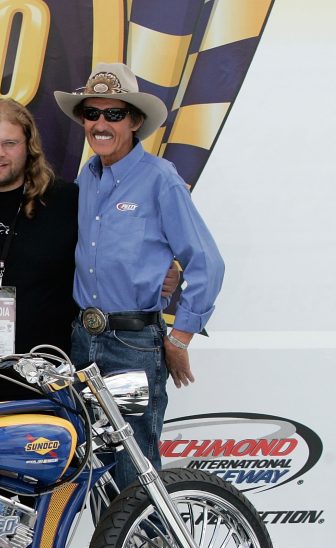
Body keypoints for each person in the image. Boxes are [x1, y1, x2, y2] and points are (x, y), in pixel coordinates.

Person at [54, 62, 224, 490]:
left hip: (132, 345)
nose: (100, 124)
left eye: (114, 114)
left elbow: (207, 262)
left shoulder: (160, 178)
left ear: (134, 121)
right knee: (91, 472)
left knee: (136, 472)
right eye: (92, 113)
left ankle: (149, 538)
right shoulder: (87, 177)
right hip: (83, 342)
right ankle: (111, 540)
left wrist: (180, 338)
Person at [0, 99, 79, 404]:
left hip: (45, 378)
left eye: (10, 143)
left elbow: (104, 253)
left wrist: (162, 273)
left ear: (28, 147)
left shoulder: (67, 200)